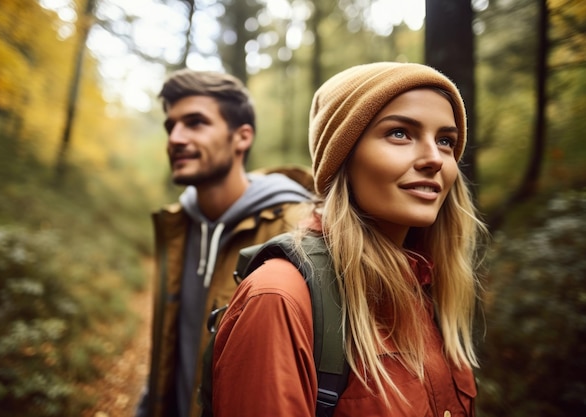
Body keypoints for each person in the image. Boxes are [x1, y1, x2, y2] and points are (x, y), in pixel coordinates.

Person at [210, 62, 489, 416]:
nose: (435, 159)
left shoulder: (426, 288)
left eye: (446, 141)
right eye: (400, 133)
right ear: (342, 156)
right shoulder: (280, 297)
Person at [137, 69, 314, 417]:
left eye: (195, 122)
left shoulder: (295, 231)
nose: (175, 137)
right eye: (170, 126)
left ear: (241, 137)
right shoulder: (176, 225)